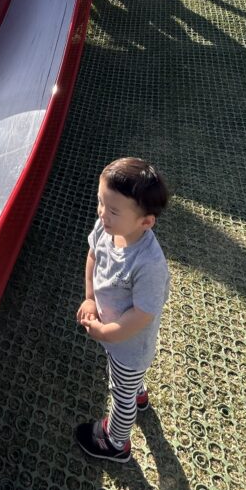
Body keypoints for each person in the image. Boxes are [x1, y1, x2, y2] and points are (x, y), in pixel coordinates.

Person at [74, 157, 170, 463]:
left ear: (146, 222)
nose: (103, 214)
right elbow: (93, 257)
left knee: (120, 392)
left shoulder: (149, 264)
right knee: (127, 380)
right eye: (101, 202)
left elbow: (141, 316)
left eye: (113, 210)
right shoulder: (106, 227)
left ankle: (116, 443)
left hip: (128, 345)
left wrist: (108, 333)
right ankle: (138, 390)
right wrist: (90, 299)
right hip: (114, 336)